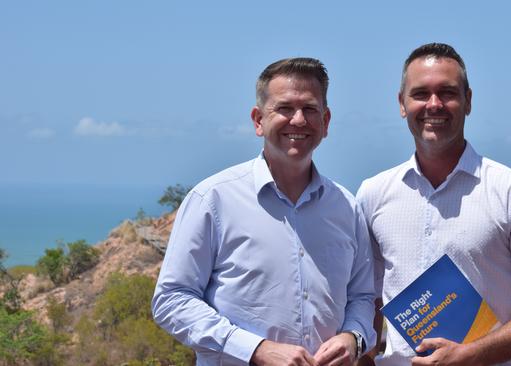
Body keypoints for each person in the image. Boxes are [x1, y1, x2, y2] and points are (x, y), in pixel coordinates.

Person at [356, 43, 511, 366]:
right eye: (420, 94)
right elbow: (367, 296)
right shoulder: (373, 193)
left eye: (447, 92)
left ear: (468, 101)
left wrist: (471, 356)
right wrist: (365, 358)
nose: (434, 104)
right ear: (402, 104)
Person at [152, 57, 376, 366]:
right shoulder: (213, 199)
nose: (298, 120)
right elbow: (171, 299)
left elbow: (362, 297)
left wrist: (353, 337)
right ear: (258, 120)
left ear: (326, 122)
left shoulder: (346, 207)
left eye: (310, 109)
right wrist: (254, 349)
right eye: (284, 108)